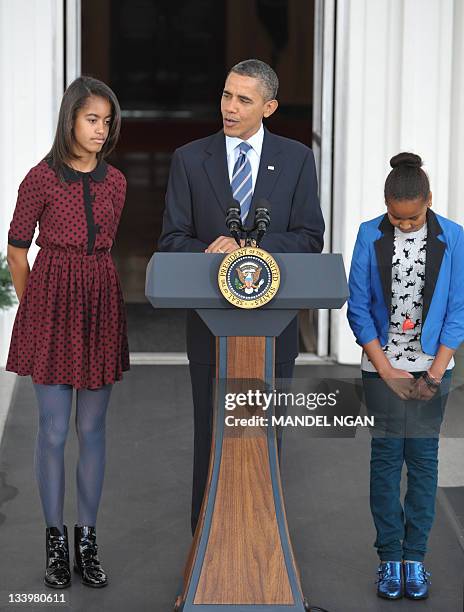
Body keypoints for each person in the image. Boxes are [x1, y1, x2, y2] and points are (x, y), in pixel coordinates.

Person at [158, 58, 324, 534]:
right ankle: (204, 549)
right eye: (226, 95)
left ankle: (263, 544)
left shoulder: (295, 159)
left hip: (275, 328)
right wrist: (217, 251)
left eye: (243, 100)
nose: (230, 107)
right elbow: (173, 240)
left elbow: (310, 237)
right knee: (211, 436)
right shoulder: (190, 158)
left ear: (268, 107)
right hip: (211, 329)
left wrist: (250, 250)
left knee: (263, 436)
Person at [6, 76, 129, 589]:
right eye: (91, 119)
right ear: (70, 120)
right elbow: (17, 249)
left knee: (93, 431)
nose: (100, 130)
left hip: (99, 301)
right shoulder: (40, 178)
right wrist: (37, 306)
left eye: (106, 121)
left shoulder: (116, 182)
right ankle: (55, 539)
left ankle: (87, 539)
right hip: (51, 306)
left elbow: (101, 247)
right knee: (53, 431)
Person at [347, 152, 464, 600]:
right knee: (385, 460)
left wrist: (432, 375)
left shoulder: (452, 237)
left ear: (428, 202)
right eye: (397, 217)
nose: (405, 224)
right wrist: (385, 369)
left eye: (413, 218)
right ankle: (388, 559)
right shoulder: (368, 234)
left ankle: (415, 558)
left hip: (434, 368)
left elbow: (457, 310)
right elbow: (358, 306)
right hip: (381, 367)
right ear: (386, 205)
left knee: (423, 460)